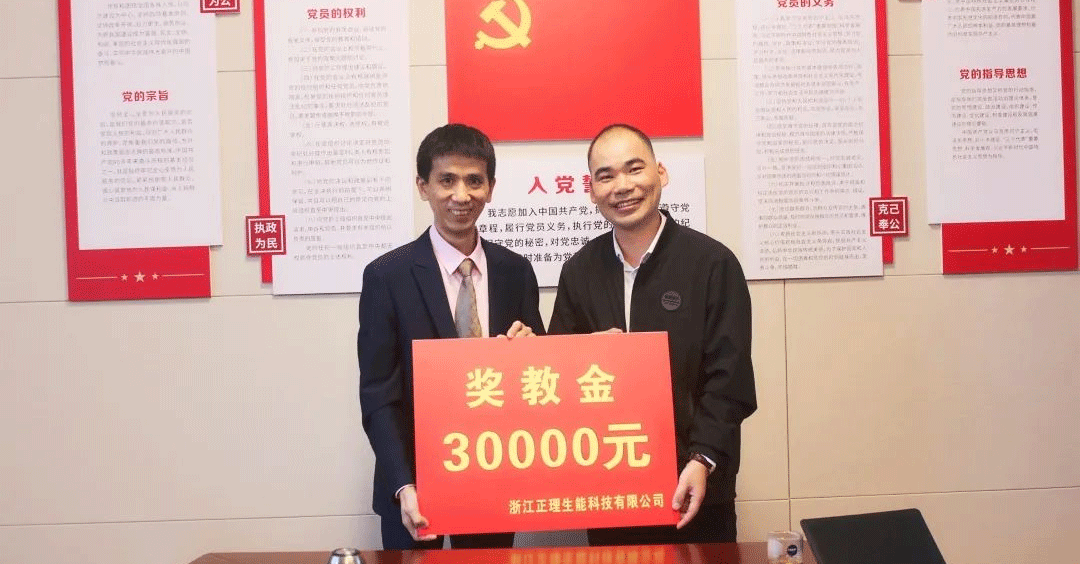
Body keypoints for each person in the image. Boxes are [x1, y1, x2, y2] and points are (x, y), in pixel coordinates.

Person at [548, 124, 756, 545]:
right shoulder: (579, 271)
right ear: (591, 191)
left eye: (634, 169)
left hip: (695, 486)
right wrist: (581, 354)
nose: (622, 186)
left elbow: (729, 381)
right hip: (610, 490)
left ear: (661, 173)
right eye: (606, 176)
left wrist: (702, 459)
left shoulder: (712, 264)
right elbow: (556, 376)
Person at [358, 124, 544, 549]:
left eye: (474, 180)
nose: (462, 195)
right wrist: (403, 484)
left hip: (493, 478)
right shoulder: (387, 276)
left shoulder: (516, 271)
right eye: (447, 180)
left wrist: (533, 350)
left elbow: (538, 380)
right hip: (414, 488)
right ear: (423, 187)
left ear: (490, 188)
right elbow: (378, 394)